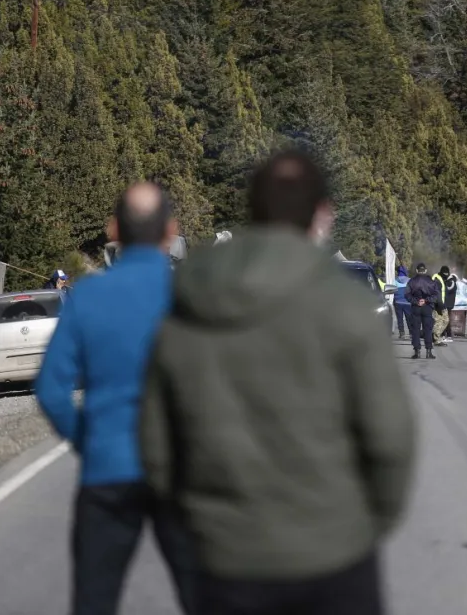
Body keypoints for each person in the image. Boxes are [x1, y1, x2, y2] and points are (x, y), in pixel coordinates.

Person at [140, 150, 416, 615]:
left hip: (224, 552)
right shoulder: (347, 307)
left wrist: (196, 525)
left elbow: (156, 445)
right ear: (322, 213)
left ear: (253, 208)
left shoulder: (185, 304)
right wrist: (367, 524)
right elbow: (389, 439)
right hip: (334, 549)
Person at [35, 183, 197, 615]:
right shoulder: (197, 296)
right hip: (183, 469)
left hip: (108, 469)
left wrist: (89, 440)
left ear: (113, 231)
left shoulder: (87, 296)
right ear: (171, 231)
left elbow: (51, 389)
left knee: (95, 597)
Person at [406, 263, 439, 360]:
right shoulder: (432, 282)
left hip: (416, 307)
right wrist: (426, 300)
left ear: (417, 270)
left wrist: (416, 301)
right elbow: (436, 295)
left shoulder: (411, 282)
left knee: (415, 330)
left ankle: (417, 352)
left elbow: (407, 295)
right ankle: (429, 351)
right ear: (425, 270)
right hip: (427, 307)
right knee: (428, 330)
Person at [431, 266, 449, 346]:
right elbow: (437, 293)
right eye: (445, 274)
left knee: (443, 320)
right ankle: (435, 338)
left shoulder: (441, 279)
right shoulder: (437, 279)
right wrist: (440, 304)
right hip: (438, 304)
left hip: (440, 303)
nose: (446, 275)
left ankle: (435, 336)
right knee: (441, 320)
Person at [394, 265, 412, 340]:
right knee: (409, 318)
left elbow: (392, 290)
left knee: (400, 319)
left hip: (398, 302)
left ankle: (402, 333)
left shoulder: (394, 280)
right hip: (407, 302)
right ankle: (411, 333)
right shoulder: (410, 280)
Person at [442, 267, 459, 342]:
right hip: (448, 303)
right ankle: (445, 334)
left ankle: (448, 335)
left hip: (448, 303)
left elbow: (447, 290)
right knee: (445, 319)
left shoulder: (451, 282)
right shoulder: (450, 281)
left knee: (446, 320)